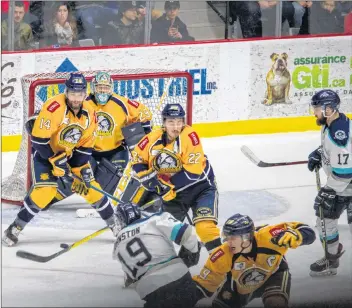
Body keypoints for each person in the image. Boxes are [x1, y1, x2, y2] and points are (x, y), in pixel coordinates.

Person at [2, 73, 121, 247]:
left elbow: (85, 146)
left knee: (92, 189)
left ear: (85, 93)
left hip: (71, 155)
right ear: (66, 91)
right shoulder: (54, 107)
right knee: (45, 193)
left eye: (79, 94)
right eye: (72, 93)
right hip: (44, 155)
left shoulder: (90, 113)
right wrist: (54, 159)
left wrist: (81, 170)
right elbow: (38, 140)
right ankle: (15, 227)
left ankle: (115, 225)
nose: (76, 98)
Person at [40, 71, 152, 210]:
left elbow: (145, 113)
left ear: (111, 88)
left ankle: (129, 201)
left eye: (105, 88)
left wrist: (145, 135)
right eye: (99, 87)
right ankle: (47, 198)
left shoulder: (121, 103)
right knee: (76, 178)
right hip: (87, 151)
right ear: (93, 88)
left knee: (107, 185)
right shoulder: (83, 102)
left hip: (115, 151)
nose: (102, 91)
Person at [131, 103, 222, 254]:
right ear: (164, 123)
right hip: (174, 196)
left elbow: (194, 173)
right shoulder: (152, 139)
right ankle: (191, 249)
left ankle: (224, 266)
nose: (176, 126)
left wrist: (166, 185)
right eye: (171, 122)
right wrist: (149, 180)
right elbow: (137, 160)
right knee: (167, 232)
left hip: (201, 189)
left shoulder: (190, 137)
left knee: (205, 228)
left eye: (179, 121)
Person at [193, 213, 316, 308]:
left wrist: (297, 235)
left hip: (274, 275)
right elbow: (205, 283)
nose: (228, 242)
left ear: (246, 237)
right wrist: (185, 297)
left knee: (275, 303)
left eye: (233, 238)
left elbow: (306, 230)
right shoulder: (223, 254)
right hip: (239, 284)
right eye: (227, 237)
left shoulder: (270, 236)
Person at [112, 201, 201, 308]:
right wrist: (192, 254)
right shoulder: (155, 220)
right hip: (179, 279)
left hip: (151, 292)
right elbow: (187, 233)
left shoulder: (117, 246)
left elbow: (129, 280)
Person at [307, 89, 351, 276]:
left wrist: (329, 190)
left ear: (329, 109)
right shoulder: (331, 124)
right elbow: (332, 150)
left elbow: (345, 171)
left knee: (325, 217)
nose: (314, 113)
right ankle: (331, 259)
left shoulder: (338, 132)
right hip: (344, 184)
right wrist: (319, 152)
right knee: (325, 217)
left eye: (316, 108)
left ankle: (331, 260)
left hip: (345, 184)